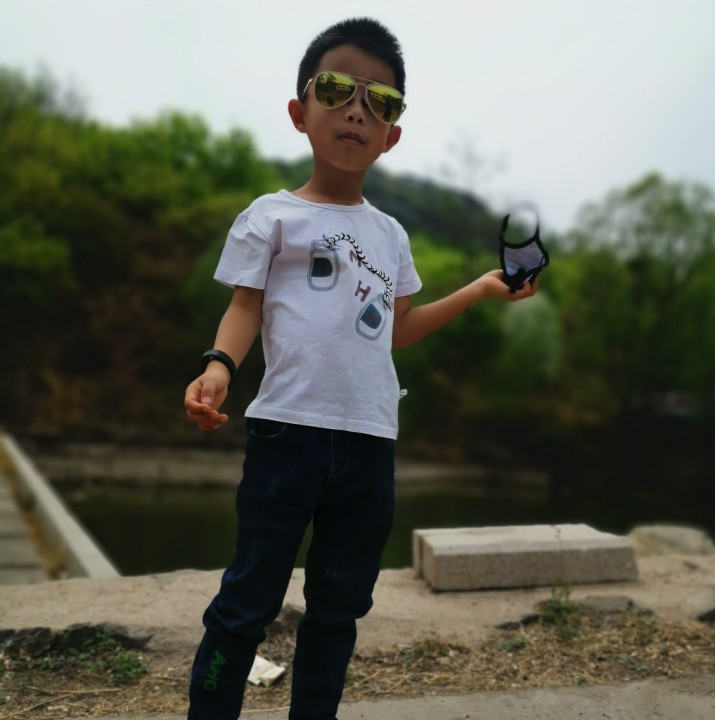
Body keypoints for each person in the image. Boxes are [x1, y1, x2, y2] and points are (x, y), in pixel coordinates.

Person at [184, 16, 537, 720]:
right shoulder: (270, 216)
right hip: (286, 434)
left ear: (392, 135)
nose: (356, 110)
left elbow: (398, 329)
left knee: (339, 608)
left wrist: (477, 289)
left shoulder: (392, 234)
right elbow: (246, 306)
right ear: (300, 112)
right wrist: (220, 365)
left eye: (380, 101)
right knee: (247, 602)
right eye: (337, 90)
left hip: (370, 440)